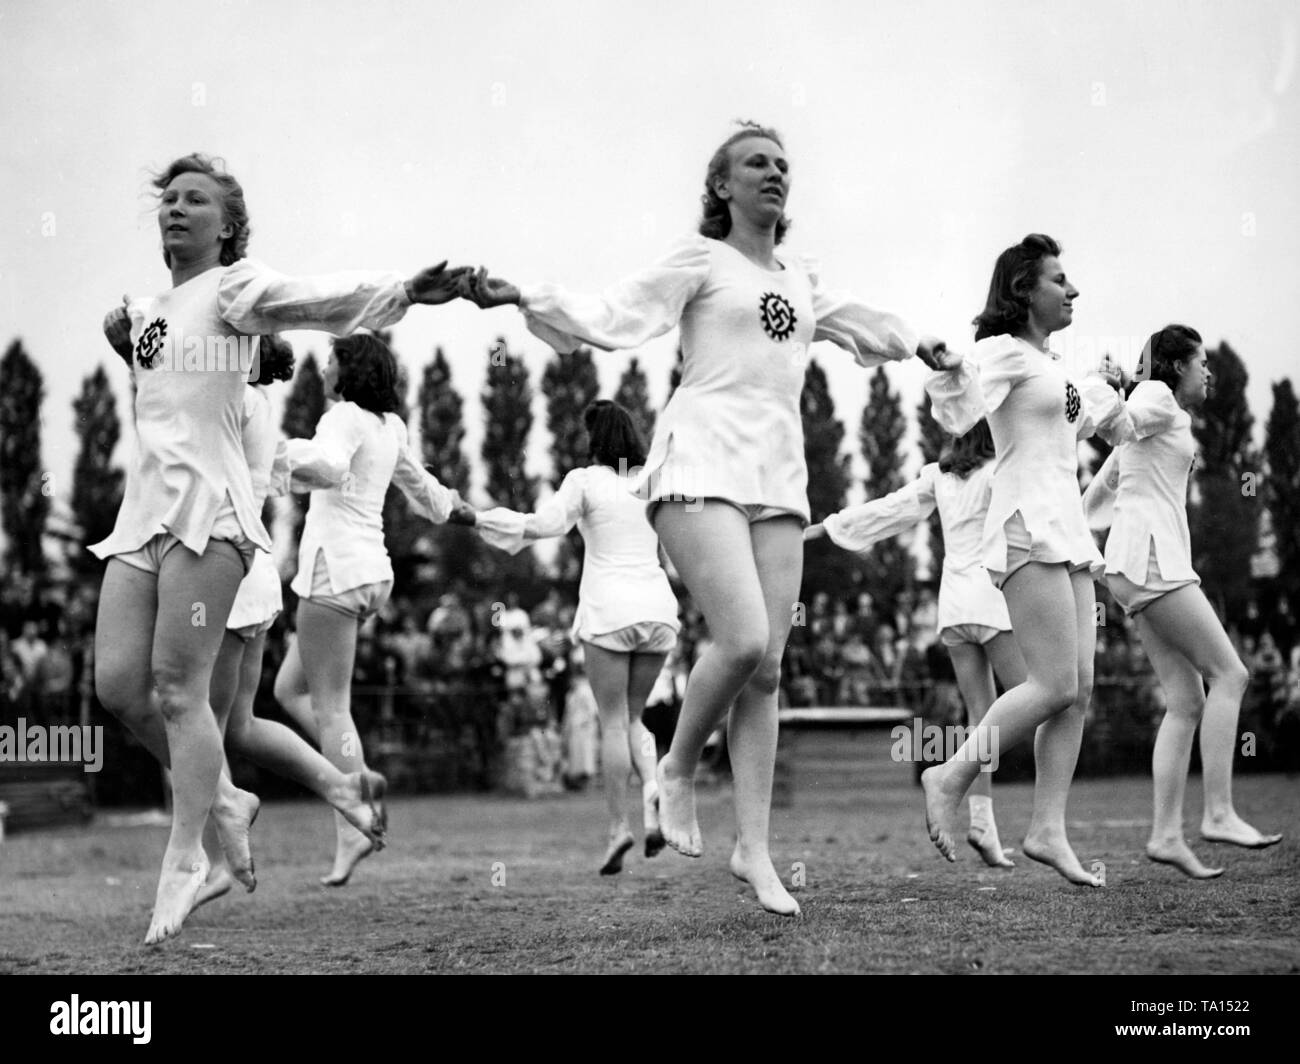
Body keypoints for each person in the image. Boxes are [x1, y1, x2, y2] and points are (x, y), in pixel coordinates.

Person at [459, 121, 944, 915]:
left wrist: (920, 343)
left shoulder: (801, 277)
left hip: (778, 474)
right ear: (721, 185)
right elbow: (617, 313)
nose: (775, 173)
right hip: (695, 459)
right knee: (743, 634)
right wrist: (522, 295)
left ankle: (753, 849)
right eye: (756, 162)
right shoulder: (700, 259)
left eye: (784, 164)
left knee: (769, 668)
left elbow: (861, 321)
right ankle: (677, 770)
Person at [93, 152, 468, 943]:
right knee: (118, 686)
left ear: (226, 226)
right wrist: (122, 338)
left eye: (196, 200)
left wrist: (400, 291)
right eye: (169, 199)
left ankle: (188, 855)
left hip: (214, 521)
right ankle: (226, 798)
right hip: (142, 517)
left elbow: (313, 299)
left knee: (177, 692)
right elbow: (164, 385)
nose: (176, 209)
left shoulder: (234, 288)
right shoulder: (150, 305)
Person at [916, 233, 1128, 886]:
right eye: (1059, 280)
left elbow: (1093, 414)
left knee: (1078, 691)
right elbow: (958, 408)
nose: (1073, 290)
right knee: (1052, 685)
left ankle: (1046, 830)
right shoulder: (1002, 353)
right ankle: (948, 775)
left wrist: (1122, 387)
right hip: (1023, 530)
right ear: (1023, 290)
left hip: (1067, 537)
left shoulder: (1057, 369)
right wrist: (949, 371)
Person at [272, 332, 475, 886]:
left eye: (332, 359)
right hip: (371, 577)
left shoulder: (342, 418)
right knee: (288, 692)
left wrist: (266, 454)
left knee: (332, 707)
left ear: (349, 370)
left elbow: (330, 467)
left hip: (334, 572)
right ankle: (358, 779)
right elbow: (421, 485)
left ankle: (354, 813)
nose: (325, 367)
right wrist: (457, 509)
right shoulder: (390, 425)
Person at [1083, 324, 1281, 876]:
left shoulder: (1160, 410)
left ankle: (1166, 835)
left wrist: (1081, 541)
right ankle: (1217, 812)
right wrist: (1110, 388)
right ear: (1176, 368)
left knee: (1187, 700)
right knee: (1231, 675)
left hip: (1135, 569)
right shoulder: (1158, 398)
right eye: (1200, 362)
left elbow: (1107, 481)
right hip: (1154, 565)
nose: (1208, 372)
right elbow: (1117, 425)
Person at [806, 418, 1027, 867]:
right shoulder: (1003, 468)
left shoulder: (937, 476)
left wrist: (827, 528)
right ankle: (950, 781)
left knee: (980, 717)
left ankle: (982, 824)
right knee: (1037, 698)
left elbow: (888, 510)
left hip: (954, 607)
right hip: (992, 598)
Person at [472, 400, 680, 872]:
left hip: (608, 612)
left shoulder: (584, 481)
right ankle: (652, 786)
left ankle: (617, 827)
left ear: (595, 440)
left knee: (611, 722)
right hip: (658, 611)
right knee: (633, 718)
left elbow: (543, 525)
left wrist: (483, 520)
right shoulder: (655, 482)